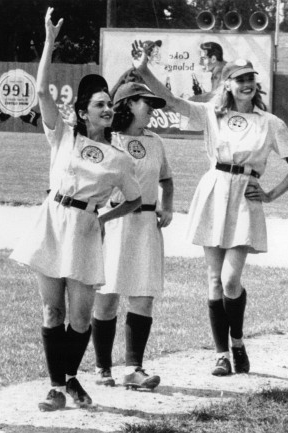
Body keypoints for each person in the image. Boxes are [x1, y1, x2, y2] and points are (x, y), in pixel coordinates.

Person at [132, 45, 288, 377]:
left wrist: (269, 195)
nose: (246, 85)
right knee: (213, 279)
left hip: (245, 196)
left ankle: (238, 341)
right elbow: (172, 100)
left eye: (250, 79)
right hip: (214, 190)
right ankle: (222, 354)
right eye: (239, 79)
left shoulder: (270, 122)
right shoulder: (212, 113)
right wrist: (144, 71)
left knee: (230, 280)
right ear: (227, 83)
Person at [10, 8, 141, 411]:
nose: (106, 108)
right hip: (52, 220)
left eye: (109, 104)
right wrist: (49, 42)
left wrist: (104, 217)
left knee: (80, 317)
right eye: (99, 103)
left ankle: (69, 377)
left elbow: (134, 199)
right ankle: (58, 385)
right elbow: (42, 91)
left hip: (85, 225)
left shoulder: (119, 158)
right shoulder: (62, 135)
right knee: (52, 309)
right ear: (83, 111)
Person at [92, 81, 173, 390]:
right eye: (145, 102)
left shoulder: (154, 141)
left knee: (143, 296)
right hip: (113, 222)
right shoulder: (107, 139)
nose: (151, 108)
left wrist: (168, 205)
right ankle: (102, 368)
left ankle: (133, 368)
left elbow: (167, 179)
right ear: (127, 105)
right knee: (107, 298)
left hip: (146, 225)